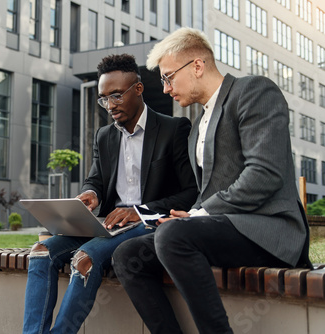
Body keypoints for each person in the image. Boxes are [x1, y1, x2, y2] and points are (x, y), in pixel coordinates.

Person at [112, 28, 313, 334]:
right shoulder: (196, 128)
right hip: (226, 228)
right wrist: (185, 216)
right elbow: (209, 194)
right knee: (127, 255)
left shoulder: (253, 91)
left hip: (269, 229)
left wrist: (197, 216)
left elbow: (265, 174)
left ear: (196, 66)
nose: (165, 89)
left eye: (168, 77)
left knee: (174, 237)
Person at [22, 53, 197, 334]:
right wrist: (90, 194)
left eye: (116, 96)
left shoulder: (173, 129)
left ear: (138, 89)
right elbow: (95, 181)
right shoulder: (104, 136)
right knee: (41, 251)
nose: (110, 106)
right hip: (109, 223)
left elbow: (190, 193)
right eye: (104, 99)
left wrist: (138, 211)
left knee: (84, 259)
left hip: (146, 224)